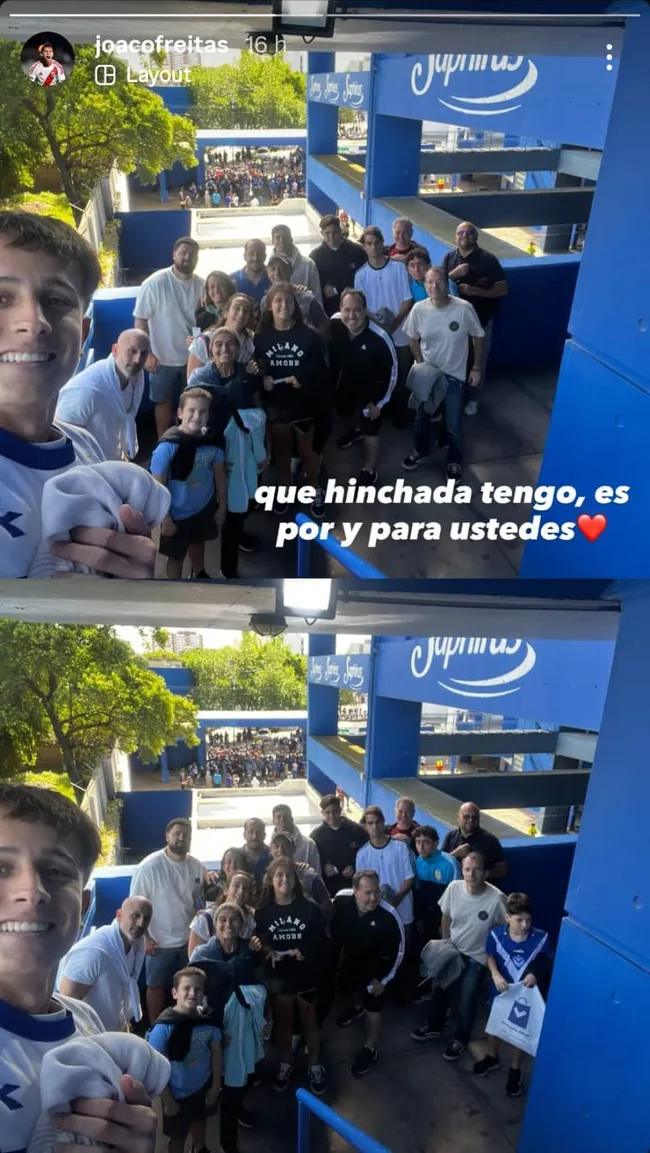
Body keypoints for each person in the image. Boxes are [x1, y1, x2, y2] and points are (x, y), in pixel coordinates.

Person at [0, 784, 157, 1153]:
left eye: (55, 871)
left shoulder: (85, 1020)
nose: (32, 890)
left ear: (84, 906)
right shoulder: (94, 957)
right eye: (1, 868)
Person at [0, 211, 157, 579]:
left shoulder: (85, 446)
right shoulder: (86, 397)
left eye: (56, 300)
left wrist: (132, 586)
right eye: (1, 297)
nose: (33, 321)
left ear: (84, 332)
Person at [411, 852, 506, 1060]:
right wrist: (446, 944)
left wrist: (492, 959)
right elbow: (445, 915)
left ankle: (461, 1039)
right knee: (438, 989)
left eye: (477, 869)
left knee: (467, 998)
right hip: (453, 950)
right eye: (467, 869)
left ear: (486, 872)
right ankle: (434, 1025)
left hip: (478, 958)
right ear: (462, 870)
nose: (471, 874)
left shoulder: (497, 898)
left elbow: (502, 929)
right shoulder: (454, 888)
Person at [129, 817, 216, 1024]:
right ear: (166, 836)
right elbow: (134, 905)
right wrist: (146, 938)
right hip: (159, 941)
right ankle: (155, 1026)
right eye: (177, 833)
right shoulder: (149, 867)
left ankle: (192, 1022)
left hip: (190, 940)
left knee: (194, 983)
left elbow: (201, 897)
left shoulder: (195, 866)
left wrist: (209, 875)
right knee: (156, 986)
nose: (182, 838)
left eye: (186, 835)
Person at [401, 265, 484, 480]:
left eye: (439, 281)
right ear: (425, 285)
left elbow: (478, 336)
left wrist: (476, 367)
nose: (434, 285)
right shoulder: (419, 309)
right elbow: (411, 337)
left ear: (448, 284)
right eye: (429, 281)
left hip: (454, 376)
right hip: (429, 375)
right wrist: (421, 363)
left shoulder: (463, 308)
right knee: (421, 418)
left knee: (453, 422)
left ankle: (454, 460)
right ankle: (420, 451)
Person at [254, 858, 328, 1095]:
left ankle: (315, 1064)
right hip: (279, 978)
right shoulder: (263, 912)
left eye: (288, 876)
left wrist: (304, 951)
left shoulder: (310, 909)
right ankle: (286, 1062)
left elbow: (320, 940)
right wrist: (268, 951)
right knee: (284, 1024)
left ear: (296, 881)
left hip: (306, 977)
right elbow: (261, 942)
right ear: (271, 881)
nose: (284, 880)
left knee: (310, 1024)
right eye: (279, 876)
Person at [254, 283, 328, 518]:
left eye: (288, 301)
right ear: (269, 307)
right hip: (276, 406)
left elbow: (321, 368)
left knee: (308, 453)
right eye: (278, 301)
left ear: (295, 306)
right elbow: (256, 367)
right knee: (282, 453)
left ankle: (315, 488)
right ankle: (284, 487)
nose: (283, 305)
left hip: (304, 405)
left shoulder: (309, 335)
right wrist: (262, 377)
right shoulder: (261, 338)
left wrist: (303, 378)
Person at [474, 892, 553, 1096]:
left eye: (528, 920)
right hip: (501, 990)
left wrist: (535, 973)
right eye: (519, 920)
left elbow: (546, 961)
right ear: (507, 917)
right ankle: (492, 1057)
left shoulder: (541, 939)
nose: (525, 925)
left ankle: (515, 1069)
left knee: (520, 1033)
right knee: (494, 1027)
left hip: (525, 995)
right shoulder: (495, 936)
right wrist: (495, 974)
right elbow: (490, 955)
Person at [332, 870, 405, 1076]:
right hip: (352, 957)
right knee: (348, 986)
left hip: (377, 966)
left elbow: (400, 951)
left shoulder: (389, 916)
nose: (374, 898)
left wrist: (384, 979)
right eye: (367, 893)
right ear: (355, 891)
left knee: (373, 1004)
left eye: (377, 892)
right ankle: (357, 1007)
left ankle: (370, 1048)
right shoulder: (341, 900)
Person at [150, 387, 226, 580]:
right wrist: (165, 518)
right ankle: (175, 588)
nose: (196, 416)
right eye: (191, 410)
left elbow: (219, 474)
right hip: (176, 512)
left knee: (198, 543)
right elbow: (157, 486)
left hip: (203, 507)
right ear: (180, 412)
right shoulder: (168, 446)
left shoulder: (212, 442)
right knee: (175, 556)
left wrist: (222, 506)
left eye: (202, 411)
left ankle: (200, 574)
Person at [134, 235, 204, 438]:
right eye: (183, 253)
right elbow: (140, 319)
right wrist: (147, 354)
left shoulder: (203, 285)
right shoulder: (155, 282)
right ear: (174, 255)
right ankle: (163, 444)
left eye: (192, 254)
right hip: (162, 358)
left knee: (193, 403)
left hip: (194, 358)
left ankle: (189, 443)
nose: (187, 258)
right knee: (163, 402)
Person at [147, 966, 222, 1153]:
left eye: (198, 989)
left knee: (199, 1121)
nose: (192, 993)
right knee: (177, 1136)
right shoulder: (163, 1027)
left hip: (201, 1088)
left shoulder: (208, 1020)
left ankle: (199, 1147)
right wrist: (167, 1100)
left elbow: (216, 1052)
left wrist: (215, 1086)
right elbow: (156, 1066)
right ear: (174, 993)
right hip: (176, 1094)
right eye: (186, 988)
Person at [330, 288, 398, 486]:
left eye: (357, 310)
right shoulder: (334, 323)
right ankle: (356, 429)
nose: (352, 316)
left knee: (371, 431)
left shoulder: (380, 338)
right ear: (340, 310)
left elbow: (393, 374)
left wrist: (380, 403)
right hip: (349, 382)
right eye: (347, 310)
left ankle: (369, 469)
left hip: (372, 391)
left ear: (365, 311)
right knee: (344, 410)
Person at [58, 895, 152, 1032]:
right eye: (135, 916)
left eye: (146, 917)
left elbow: (121, 987)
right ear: (119, 915)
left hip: (112, 1030)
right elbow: (67, 999)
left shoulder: (136, 944)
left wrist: (123, 1022)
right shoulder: (94, 952)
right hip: (89, 1035)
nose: (141, 923)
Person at [441, 221, 508, 415]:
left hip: (480, 322)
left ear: (476, 236)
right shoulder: (449, 258)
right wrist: (455, 274)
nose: (464, 236)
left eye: (469, 233)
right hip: (455, 324)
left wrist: (474, 290)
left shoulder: (488, 260)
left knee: (478, 363)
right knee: (458, 361)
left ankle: (473, 398)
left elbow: (503, 289)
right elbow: (438, 283)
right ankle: (456, 395)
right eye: (460, 232)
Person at [55, 328, 150, 461]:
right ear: (115, 350)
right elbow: (63, 434)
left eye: (144, 353)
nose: (137, 359)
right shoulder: (86, 389)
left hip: (113, 463)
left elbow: (122, 419)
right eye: (132, 351)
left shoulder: (136, 378)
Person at [354, 226, 413, 427]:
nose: (374, 247)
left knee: (403, 374)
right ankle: (384, 409)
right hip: (377, 335)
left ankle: (402, 412)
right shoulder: (361, 275)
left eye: (377, 242)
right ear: (364, 246)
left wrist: (394, 324)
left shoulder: (398, 268)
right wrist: (380, 329)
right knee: (384, 374)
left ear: (382, 243)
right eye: (369, 243)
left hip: (401, 332)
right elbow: (361, 307)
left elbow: (407, 300)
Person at [356, 806, 415, 930]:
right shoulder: (362, 854)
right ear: (365, 826)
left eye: (377, 822)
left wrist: (396, 899)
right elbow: (361, 886)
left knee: (405, 948)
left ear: (383, 823)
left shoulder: (401, 847)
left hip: (403, 911)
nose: (374, 826)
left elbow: (410, 878)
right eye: (370, 823)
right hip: (377, 913)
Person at [308, 213, 367, 318]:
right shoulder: (315, 257)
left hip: (354, 309)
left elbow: (365, 277)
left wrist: (337, 289)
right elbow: (313, 284)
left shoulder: (356, 251)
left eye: (335, 232)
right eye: (327, 233)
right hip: (329, 309)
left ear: (340, 231)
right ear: (322, 233)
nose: (331, 237)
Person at [310, 793, 369, 897]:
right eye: (327, 812)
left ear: (340, 810)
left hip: (355, 888)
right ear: (322, 813)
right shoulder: (316, 836)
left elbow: (368, 854)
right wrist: (324, 866)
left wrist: (355, 867)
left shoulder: (356, 831)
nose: (332, 816)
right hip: (329, 890)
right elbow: (312, 860)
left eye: (335, 811)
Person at [263, 256, 331, 341]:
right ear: (267, 272)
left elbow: (325, 333)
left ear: (291, 271)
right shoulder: (265, 301)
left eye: (282, 268)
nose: (277, 272)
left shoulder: (307, 299)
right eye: (273, 269)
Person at [413, 825, 461, 943]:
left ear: (436, 843)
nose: (421, 847)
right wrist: (419, 918)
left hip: (445, 919)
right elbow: (419, 893)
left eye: (426, 842)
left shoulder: (450, 863)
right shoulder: (418, 861)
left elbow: (458, 897)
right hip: (426, 919)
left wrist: (446, 923)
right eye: (418, 842)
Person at [440, 802, 508, 882]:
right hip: (455, 887)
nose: (471, 820)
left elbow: (502, 870)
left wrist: (482, 875)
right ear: (458, 817)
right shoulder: (451, 836)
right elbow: (440, 865)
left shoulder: (490, 840)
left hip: (481, 889)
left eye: (474, 817)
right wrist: (455, 854)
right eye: (466, 817)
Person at [269, 832, 331, 918]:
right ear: (271, 850)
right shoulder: (268, 877)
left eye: (285, 846)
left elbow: (327, 906)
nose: (281, 850)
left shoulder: (310, 876)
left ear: (293, 848)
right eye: (276, 846)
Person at [271, 224, 322, 302]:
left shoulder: (308, 264)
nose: (281, 240)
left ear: (291, 239)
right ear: (272, 241)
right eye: (278, 237)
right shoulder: (268, 268)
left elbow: (317, 295)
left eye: (285, 237)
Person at [272, 803, 321, 871]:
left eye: (286, 817)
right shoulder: (270, 846)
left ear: (292, 819)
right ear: (273, 821)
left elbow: (317, 873)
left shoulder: (309, 844)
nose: (282, 820)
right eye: (278, 817)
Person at [193, 270, 236, 335]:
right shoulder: (201, 317)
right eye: (212, 287)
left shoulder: (238, 312)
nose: (216, 290)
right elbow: (196, 340)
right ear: (208, 292)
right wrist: (193, 341)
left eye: (221, 285)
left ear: (229, 288)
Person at [232, 239, 271, 304]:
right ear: (244, 256)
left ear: (265, 257)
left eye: (259, 253)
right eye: (251, 253)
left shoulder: (275, 277)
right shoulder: (232, 279)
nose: (255, 258)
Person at [241, 817, 272, 885]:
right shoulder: (236, 856)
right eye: (251, 832)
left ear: (264, 835)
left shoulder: (273, 856)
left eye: (259, 832)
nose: (255, 836)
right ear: (244, 835)